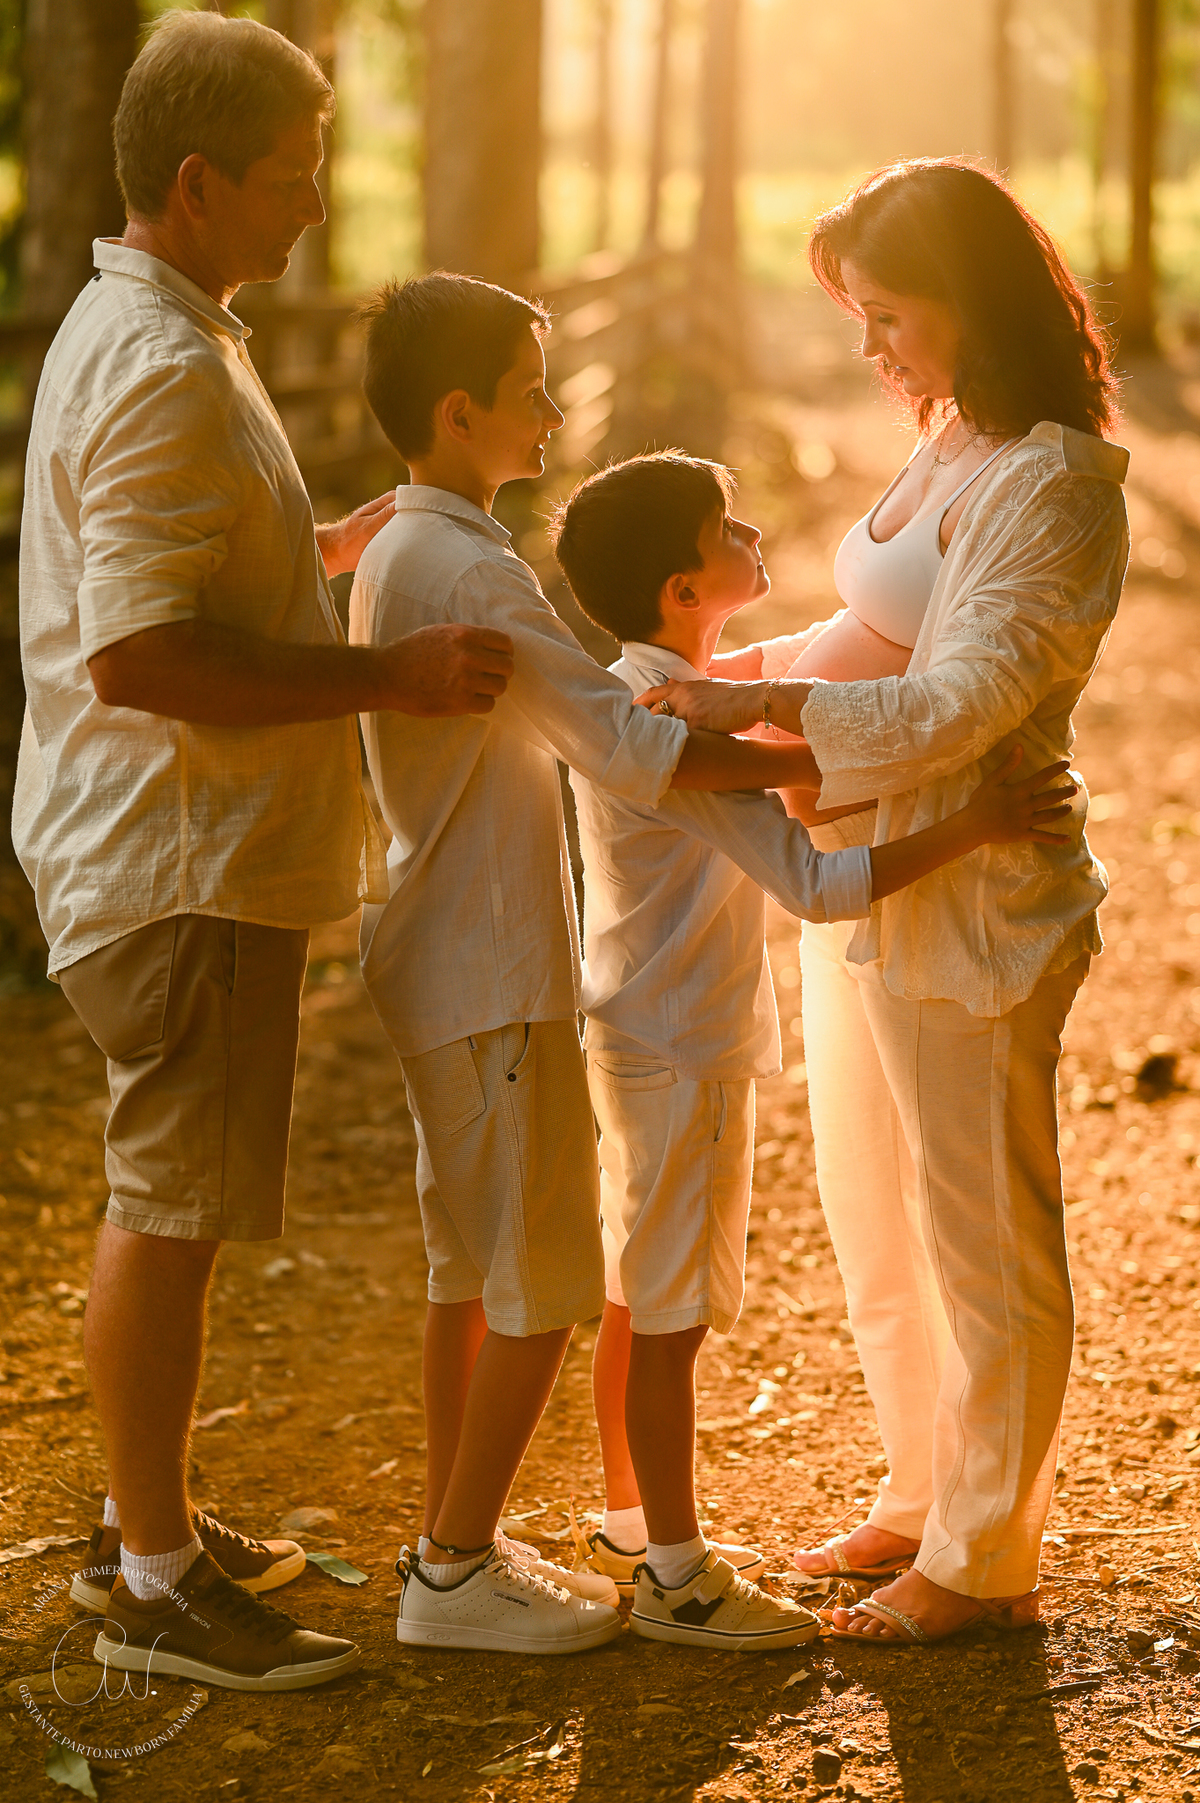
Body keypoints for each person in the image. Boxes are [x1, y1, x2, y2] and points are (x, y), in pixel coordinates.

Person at [13, 11, 513, 1693]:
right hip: (182, 861)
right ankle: (154, 1580)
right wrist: (386, 673)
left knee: (177, 1196)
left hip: (181, 851)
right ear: (197, 181)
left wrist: (321, 550)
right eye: (291, 176)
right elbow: (137, 652)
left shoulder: (155, 329)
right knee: (170, 1202)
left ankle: (143, 1520)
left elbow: (180, 570)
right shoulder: (163, 363)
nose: (314, 203)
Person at [636, 158, 1129, 1647]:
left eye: (889, 316)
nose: (870, 349)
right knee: (878, 1216)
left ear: (971, 300)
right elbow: (874, 622)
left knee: (983, 1230)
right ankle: (922, 1487)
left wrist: (755, 710)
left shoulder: (1055, 484)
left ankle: (986, 1554)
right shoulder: (954, 433)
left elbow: (960, 699)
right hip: (860, 868)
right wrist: (732, 672)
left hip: (972, 891)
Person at [350, 273, 874, 1655]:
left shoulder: (409, 542)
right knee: (541, 1286)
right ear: (459, 413)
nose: (552, 411)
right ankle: (457, 1569)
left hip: (440, 939)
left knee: (470, 1270)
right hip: (491, 953)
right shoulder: (471, 568)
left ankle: (457, 1533)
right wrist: (834, 754)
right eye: (529, 391)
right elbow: (635, 747)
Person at [550, 449, 1076, 1651]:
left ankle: (632, 1528)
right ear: (686, 590)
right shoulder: (678, 729)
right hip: (684, 1046)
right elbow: (819, 883)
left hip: (640, 1030)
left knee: (638, 1292)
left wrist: (807, 727)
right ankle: (677, 1574)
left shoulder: (644, 687)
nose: (752, 535)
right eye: (726, 528)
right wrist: (973, 816)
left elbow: (785, 770)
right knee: (668, 1316)